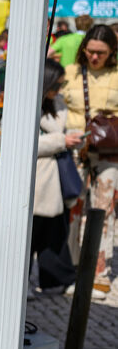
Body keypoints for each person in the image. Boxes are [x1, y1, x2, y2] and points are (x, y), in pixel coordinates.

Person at [61, 24, 118, 298]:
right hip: (75, 147)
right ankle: (71, 268)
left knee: (104, 210)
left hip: (108, 150)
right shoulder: (70, 72)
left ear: (112, 53)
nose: (95, 57)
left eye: (102, 53)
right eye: (91, 51)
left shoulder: (117, 74)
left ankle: (99, 271)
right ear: (84, 49)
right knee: (73, 208)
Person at [33, 60, 80, 294]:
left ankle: (56, 279)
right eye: (56, 84)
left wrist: (70, 137)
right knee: (30, 234)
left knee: (54, 233)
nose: (59, 89)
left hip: (56, 179)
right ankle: (22, 282)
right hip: (37, 180)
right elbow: (23, 144)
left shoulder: (58, 104)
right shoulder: (28, 106)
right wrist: (61, 141)